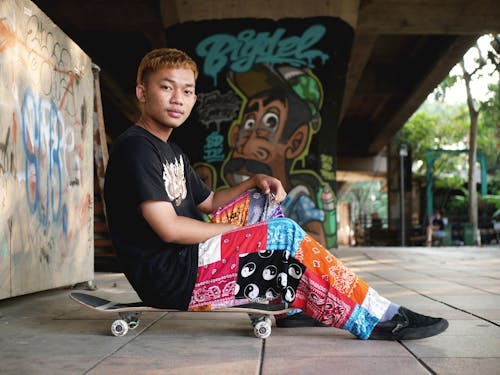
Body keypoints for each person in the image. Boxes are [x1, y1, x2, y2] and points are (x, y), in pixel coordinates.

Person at [104, 48, 449, 340]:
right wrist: (241, 234)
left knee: (262, 203)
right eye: (167, 87)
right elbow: (170, 229)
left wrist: (253, 181)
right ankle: (377, 317)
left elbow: (207, 203)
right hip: (173, 278)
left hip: (189, 262)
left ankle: (289, 304)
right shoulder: (136, 149)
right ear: (141, 92)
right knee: (281, 235)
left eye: (188, 90)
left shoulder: (170, 149)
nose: (178, 99)